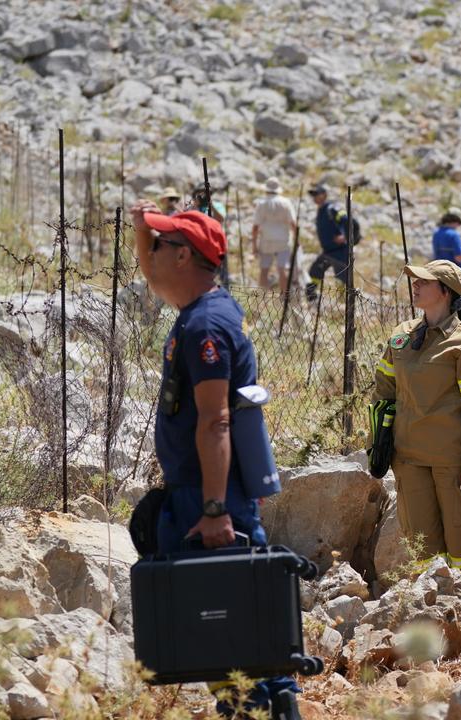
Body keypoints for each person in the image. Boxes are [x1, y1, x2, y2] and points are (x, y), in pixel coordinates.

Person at [128, 199, 299, 718]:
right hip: (204, 493)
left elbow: (215, 421)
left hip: (214, 498)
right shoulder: (199, 309)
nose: (149, 255)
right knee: (228, 630)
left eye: (160, 245)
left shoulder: (205, 328)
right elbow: (151, 273)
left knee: (238, 628)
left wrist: (214, 509)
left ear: (183, 257)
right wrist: (144, 231)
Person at [373, 260, 461, 588]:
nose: (415, 285)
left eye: (424, 281)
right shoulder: (401, 336)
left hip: (452, 464)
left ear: (446, 292)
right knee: (422, 550)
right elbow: (383, 394)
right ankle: (429, 619)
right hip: (409, 460)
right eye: (414, 280)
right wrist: (379, 446)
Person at [305, 184, 353, 302]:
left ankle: (343, 304)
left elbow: (347, 220)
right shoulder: (321, 210)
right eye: (313, 195)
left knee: (341, 279)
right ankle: (312, 300)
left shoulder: (331, 208)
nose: (315, 197)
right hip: (327, 252)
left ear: (324, 195)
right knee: (315, 271)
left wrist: (344, 235)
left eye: (317, 194)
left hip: (339, 252)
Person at [252, 177, 298, 292]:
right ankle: (284, 296)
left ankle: (263, 298)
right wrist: (297, 239)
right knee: (282, 269)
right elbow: (293, 223)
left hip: (266, 240)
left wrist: (254, 245)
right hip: (283, 240)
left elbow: (256, 226)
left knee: (264, 269)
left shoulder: (261, 204)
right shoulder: (285, 202)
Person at [432, 209, 461, 274]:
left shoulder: (436, 233)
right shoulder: (454, 235)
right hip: (454, 274)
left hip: (439, 272)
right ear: (455, 221)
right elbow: (459, 258)